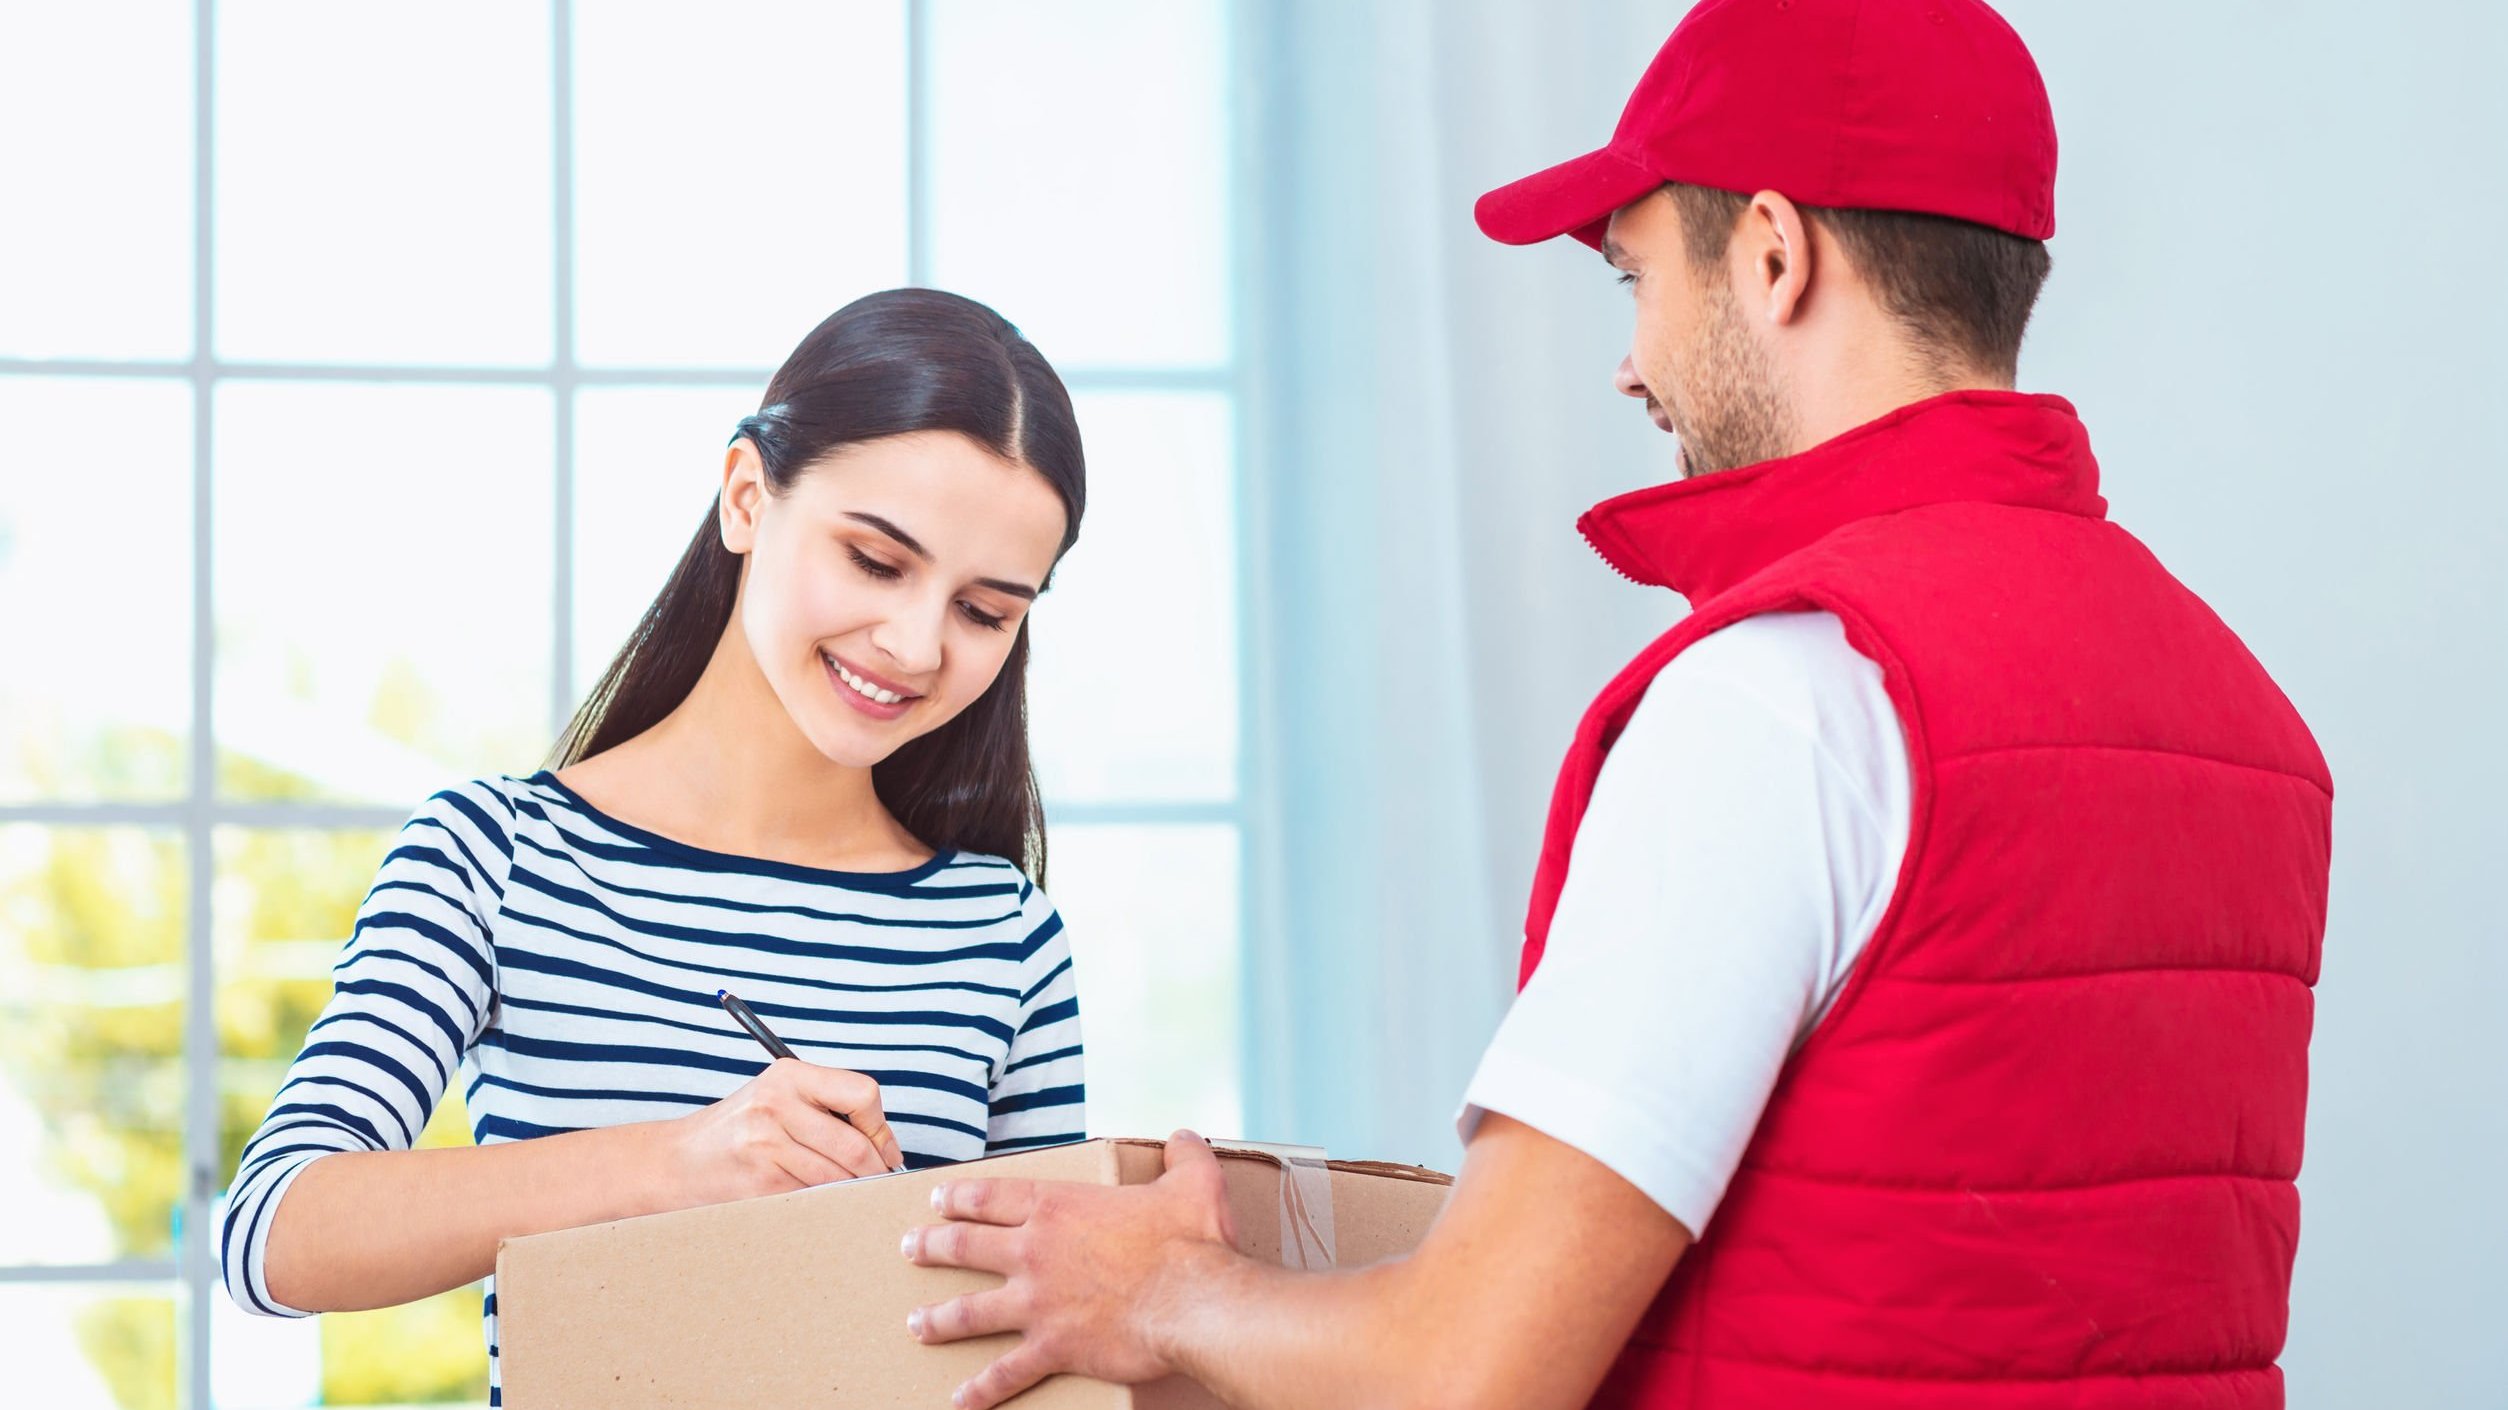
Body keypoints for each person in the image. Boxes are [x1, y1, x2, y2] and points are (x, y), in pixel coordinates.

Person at [904, 3, 2332, 1407]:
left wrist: (1159, 1291)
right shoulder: (2240, 714)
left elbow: (1463, 1370)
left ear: (1773, 255)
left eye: (1634, 276)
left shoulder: (1789, 693)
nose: (1630, 361)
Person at [218, 288, 1092, 1404]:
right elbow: (271, 1234)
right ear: (745, 496)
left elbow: (1036, 1349)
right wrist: (677, 1164)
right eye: (876, 561)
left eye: (985, 613)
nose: (916, 644)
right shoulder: (499, 857)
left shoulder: (1000, 935)